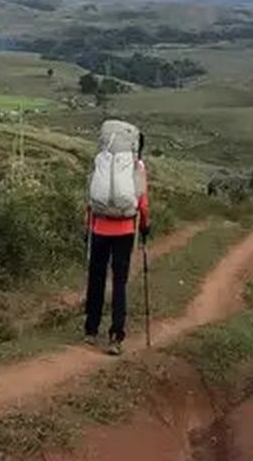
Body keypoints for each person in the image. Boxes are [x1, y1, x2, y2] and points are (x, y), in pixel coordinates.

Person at [84, 129, 150, 356]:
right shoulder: (137, 167)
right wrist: (144, 227)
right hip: (124, 230)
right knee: (119, 282)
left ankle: (91, 330)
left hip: (99, 227)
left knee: (96, 278)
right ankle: (115, 336)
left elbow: (91, 197)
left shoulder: (100, 160)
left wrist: (88, 226)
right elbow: (142, 203)